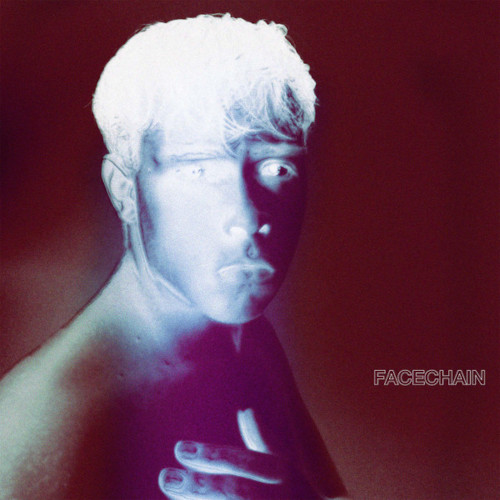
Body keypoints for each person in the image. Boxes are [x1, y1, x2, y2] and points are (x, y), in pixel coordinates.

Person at [0, 14, 349, 499]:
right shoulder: (39, 432)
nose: (248, 217)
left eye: (276, 168)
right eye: (198, 171)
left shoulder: (242, 339)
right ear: (125, 190)